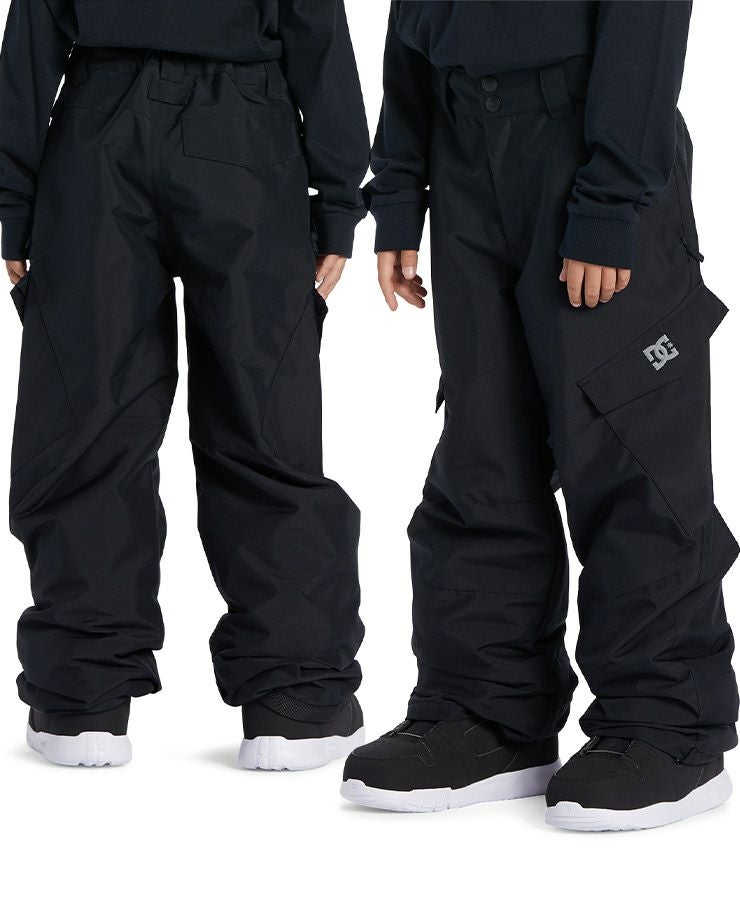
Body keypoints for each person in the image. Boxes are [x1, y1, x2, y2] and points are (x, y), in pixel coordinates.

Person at [342, 0, 738, 830]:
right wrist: (401, 190)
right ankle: (487, 713)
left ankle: (669, 723)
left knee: (625, 440)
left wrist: (612, 198)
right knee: (483, 442)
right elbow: (412, 17)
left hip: (589, 140)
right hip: (460, 143)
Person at [0, 0, 368, 770]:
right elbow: (316, 25)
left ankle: (81, 697)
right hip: (245, 132)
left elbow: (36, 25)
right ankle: (294, 699)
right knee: (263, 419)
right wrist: (336, 197)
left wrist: (16, 199)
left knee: (86, 418)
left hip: (98, 130)